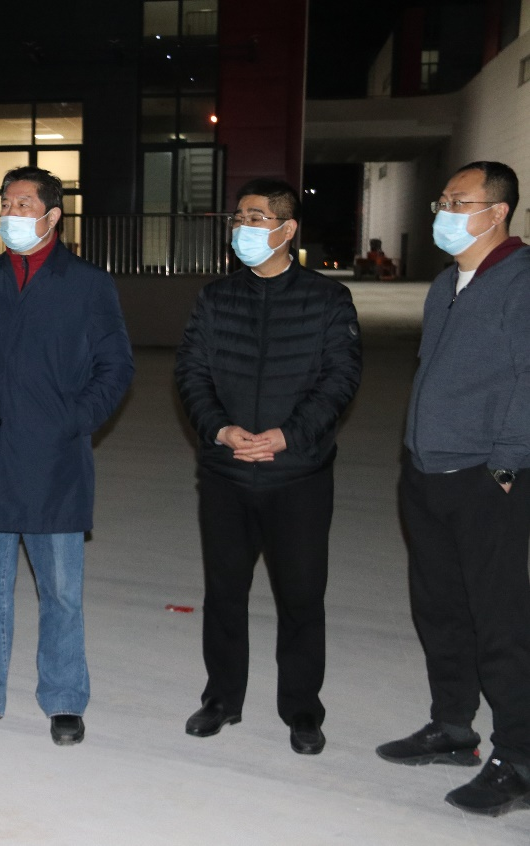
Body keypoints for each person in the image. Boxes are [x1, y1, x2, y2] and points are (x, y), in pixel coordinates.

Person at [0, 166, 134, 746]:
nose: (11, 214)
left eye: (23, 204)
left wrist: (75, 420)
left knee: (61, 592)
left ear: (53, 216)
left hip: (54, 462)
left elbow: (116, 365)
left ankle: (64, 699)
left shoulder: (87, 284)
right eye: (5, 204)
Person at [174, 178, 362, 756]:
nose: (242, 228)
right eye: (239, 218)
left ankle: (302, 708)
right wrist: (220, 429)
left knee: (301, 597)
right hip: (227, 474)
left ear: (287, 229)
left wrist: (287, 436)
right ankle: (222, 699)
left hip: (297, 477)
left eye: (255, 218)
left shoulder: (327, 300)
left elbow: (340, 379)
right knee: (224, 594)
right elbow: (191, 373)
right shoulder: (216, 298)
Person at [377, 161, 530, 816]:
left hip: (484, 478)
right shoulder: (447, 283)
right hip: (425, 472)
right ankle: (452, 728)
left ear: (496, 212)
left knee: (499, 622)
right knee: (439, 609)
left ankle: (519, 759)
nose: (444, 211)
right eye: (443, 200)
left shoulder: (522, 280)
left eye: (458, 202)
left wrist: (506, 463)